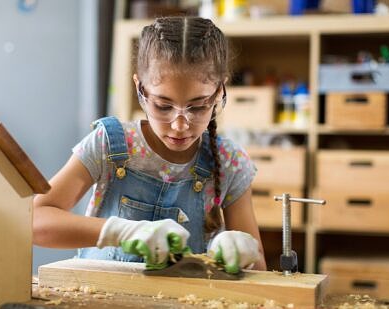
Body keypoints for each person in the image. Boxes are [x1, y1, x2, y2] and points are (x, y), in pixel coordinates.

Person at [33, 16, 266, 273]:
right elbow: (35, 220)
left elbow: (260, 272)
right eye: (163, 106)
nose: (179, 125)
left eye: (198, 107)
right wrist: (120, 231)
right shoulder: (110, 145)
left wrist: (243, 253)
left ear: (220, 91)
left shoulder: (228, 161)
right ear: (140, 88)